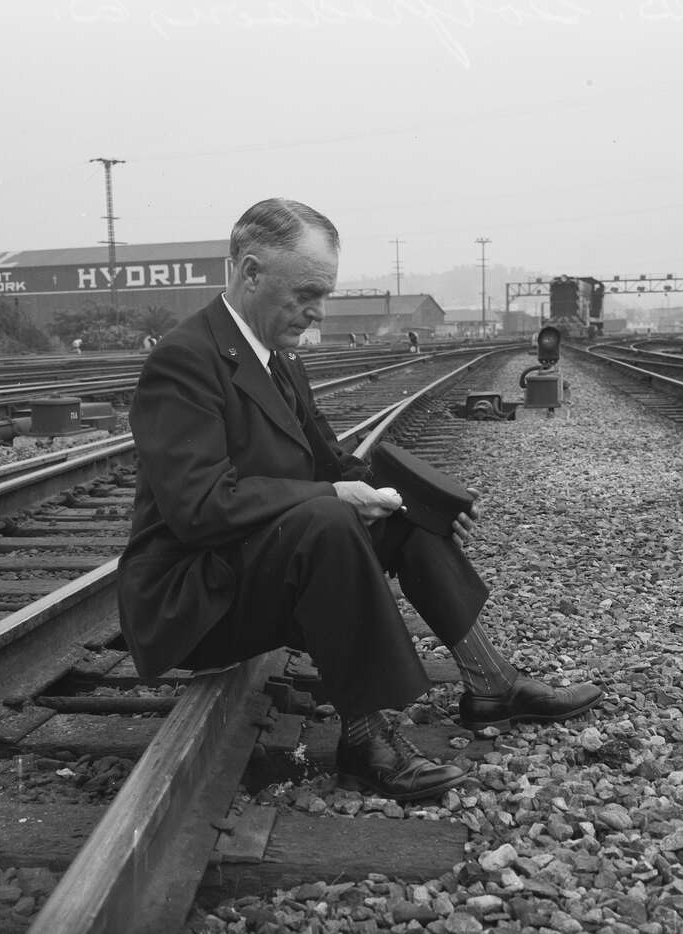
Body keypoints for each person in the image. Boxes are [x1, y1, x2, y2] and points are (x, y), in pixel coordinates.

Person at [117, 198, 601, 802]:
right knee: (328, 519)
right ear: (250, 271)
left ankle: (491, 682)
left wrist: (415, 499)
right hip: (193, 596)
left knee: (402, 513)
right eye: (306, 293)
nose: (317, 312)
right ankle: (365, 737)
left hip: (250, 566)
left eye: (325, 294)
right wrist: (333, 494)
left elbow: (329, 458)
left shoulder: (276, 357)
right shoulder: (183, 361)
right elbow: (199, 506)